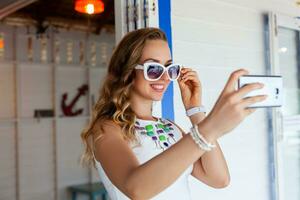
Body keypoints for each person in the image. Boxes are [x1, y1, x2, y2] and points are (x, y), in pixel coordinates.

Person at [80, 27, 267, 200]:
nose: (164, 77)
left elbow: (218, 178)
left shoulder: (169, 128)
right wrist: (210, 128)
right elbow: (137, 188)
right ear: (127, 72)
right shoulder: (107, 128)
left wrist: (195, 110)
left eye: (170, 68)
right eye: (153, 68)